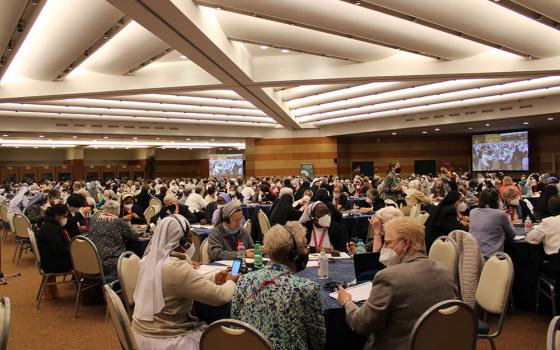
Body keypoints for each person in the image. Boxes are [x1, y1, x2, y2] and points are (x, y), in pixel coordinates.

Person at [337, 217, 457, 350]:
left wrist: (346, 302)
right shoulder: (447, 272)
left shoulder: (389, 277)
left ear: (405, 243)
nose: (384, 248)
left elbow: (362, 325)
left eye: (387, 243)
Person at [132, 215, 238, 349]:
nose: (191, 241)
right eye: (188, 237)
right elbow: (219, 297)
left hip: (141, 335)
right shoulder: (176, 268)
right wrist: (230, 281)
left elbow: (182, 284)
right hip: (166, 340)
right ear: (182, 241)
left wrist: (214, 278)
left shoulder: (148, 261)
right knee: (219, 340)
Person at [231, 221, 325, 350]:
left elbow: (235, 327)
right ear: (294, 255)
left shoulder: (243, 280)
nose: (306, 251)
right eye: (304, 247)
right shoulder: (306, 289)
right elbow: (318, 342)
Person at [86, 200, 138, 278]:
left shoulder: (93, 220)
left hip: (93, 260)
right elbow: (133, 236)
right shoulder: (119, 222)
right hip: (111, 262)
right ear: (117, 211)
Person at [36, 204, 72, 299]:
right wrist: (74, 251)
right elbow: (60, 249)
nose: (65, 218)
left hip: (49, 260)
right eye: (64, 216)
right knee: (85, 261)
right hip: (54, 263)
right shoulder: (50, 228)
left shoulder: (49, 224)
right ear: (57, 216)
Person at [469, 189, 517, 260]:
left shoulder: (472, 212)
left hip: (473, 256)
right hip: (492, 258)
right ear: (497, 201)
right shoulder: (500, 214)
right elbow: (512, 235)